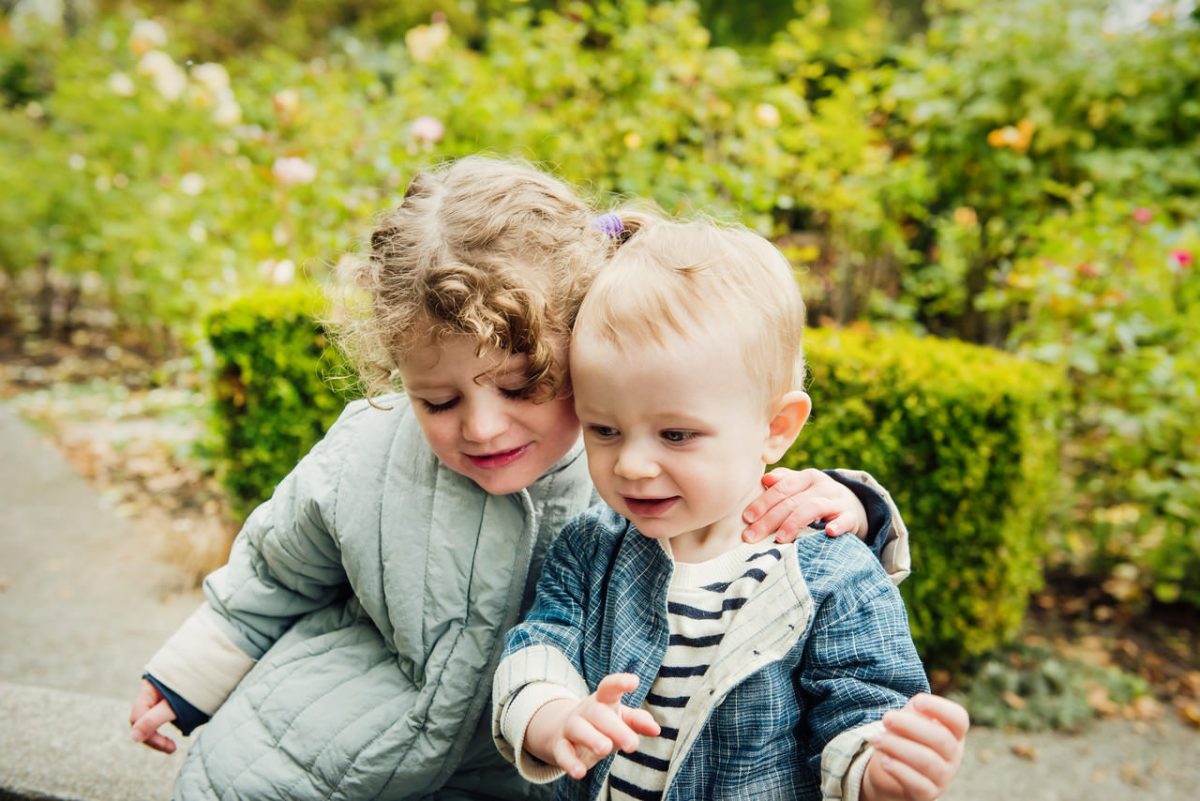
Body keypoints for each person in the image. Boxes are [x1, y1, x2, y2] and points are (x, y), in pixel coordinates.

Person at [129, 157, 912, 800]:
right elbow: (273, 569)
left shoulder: (623, 482)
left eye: (519, 385)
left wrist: (851, 505)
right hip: (324, 747)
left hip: (510, 772)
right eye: (436, 398)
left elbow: (743, 489)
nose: (481, 426)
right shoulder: (368, 447)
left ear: (581, 349)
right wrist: (184, 678)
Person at [492, 218, 969, 801]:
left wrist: (877, 769)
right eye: (605, 429)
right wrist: (552, 716)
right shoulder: (592, 546)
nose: (632, 465)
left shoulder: (827, 574)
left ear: (775, 428)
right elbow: (543, 642)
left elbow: (862, 702)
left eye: (675, 435)